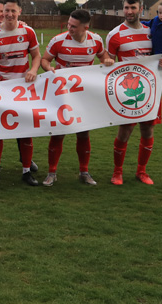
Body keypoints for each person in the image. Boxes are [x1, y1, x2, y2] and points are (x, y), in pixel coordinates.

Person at [104, 0, 162, 186]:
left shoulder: (152, 30)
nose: (129, 12)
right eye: (126, 8)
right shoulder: (114, 34)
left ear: (141, 9)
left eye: (133, 8)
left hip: (150, 89)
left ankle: (142, 171)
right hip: (126, 90)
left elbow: (160, 54)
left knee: (148, 130)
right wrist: (108, 61)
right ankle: (117, 172)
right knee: (124, 132)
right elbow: (106, 61)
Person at [39, 9, 109, 186]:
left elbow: (103, 57)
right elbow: (45, 60)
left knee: (83, 132)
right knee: (58, 133)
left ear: (86, 27)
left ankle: (84, 172)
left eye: (74, 26)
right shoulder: (58, 40)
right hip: (62, 94)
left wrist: (107, 60)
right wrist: (50, 69)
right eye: (69, 24)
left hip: (84, 95)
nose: (69, 28)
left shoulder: (96, 40)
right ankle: (51, 173)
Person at [0, 0, 41, 186]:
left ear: (19, 12)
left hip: (23, 88)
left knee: (25, 130)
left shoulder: (28, 31)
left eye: (13, 11)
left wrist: (33, 70)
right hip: (1, 89)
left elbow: (36, 55)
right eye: (6, 10)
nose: (9, 14)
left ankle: (26, 171)